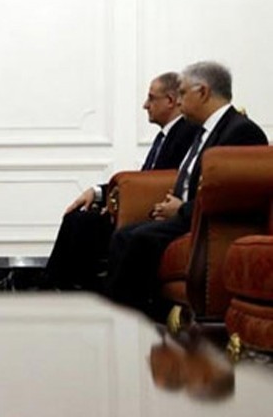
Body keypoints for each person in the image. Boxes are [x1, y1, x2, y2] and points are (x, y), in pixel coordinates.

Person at [105, 61, 268, 317]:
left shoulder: (241, 132)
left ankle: (127, 320)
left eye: (182, 93)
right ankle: (121, 317)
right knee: (124, 235)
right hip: (186, 215)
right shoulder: (201, 130)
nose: (178, 101)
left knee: (135, 239)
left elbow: (232, 196)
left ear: (202, 92)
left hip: (204, 222)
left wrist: (181, 210)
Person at [44, 73, 201, 290]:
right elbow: (143, 180)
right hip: (141, 206)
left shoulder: (186, 133)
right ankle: (55, 288)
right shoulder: (166, 136)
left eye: (151, 98)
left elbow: (160, 182)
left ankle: (69, 291)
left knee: (84, 224)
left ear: (170, 101)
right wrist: (98, 192)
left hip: (153, 212)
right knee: (77, 218)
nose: (145, 105)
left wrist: (120, 202)